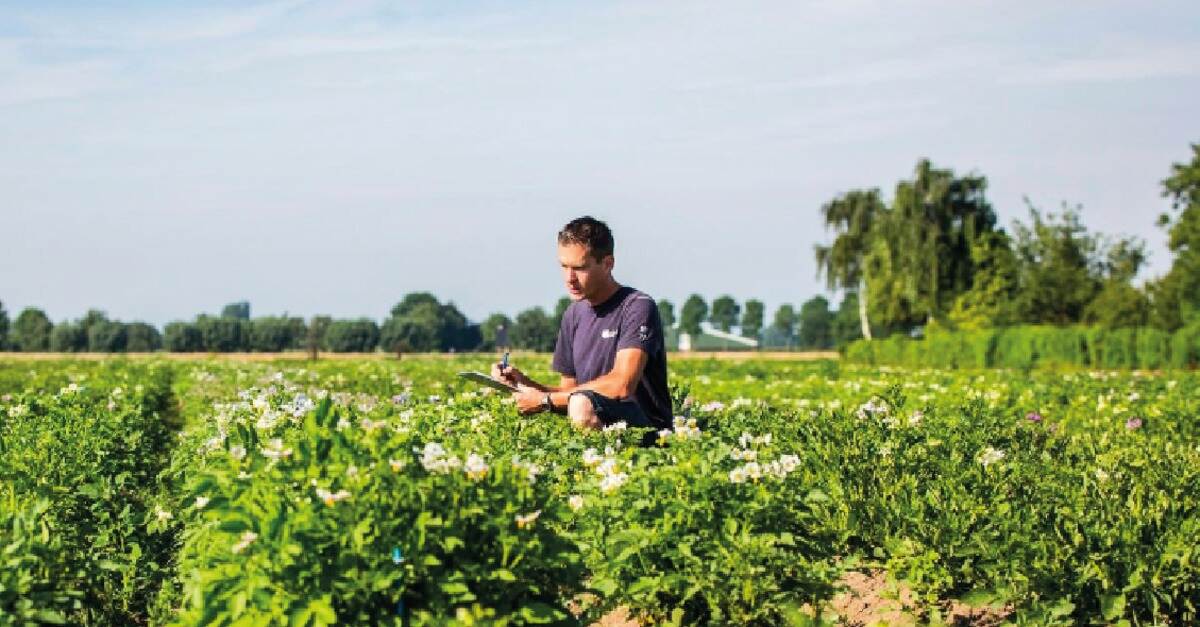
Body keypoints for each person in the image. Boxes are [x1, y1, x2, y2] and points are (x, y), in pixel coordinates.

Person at [491, 216, 671, 431]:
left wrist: (544, 401)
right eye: (564, 266)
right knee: (578, 402)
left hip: (648, 431)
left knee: (581, 404)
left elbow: (622, 384)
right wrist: (524, 385)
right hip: (594, 423)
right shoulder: (573, 314)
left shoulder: (637, 307)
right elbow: (568, 392)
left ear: (607, 264)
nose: (569, 278)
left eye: (579, 268)